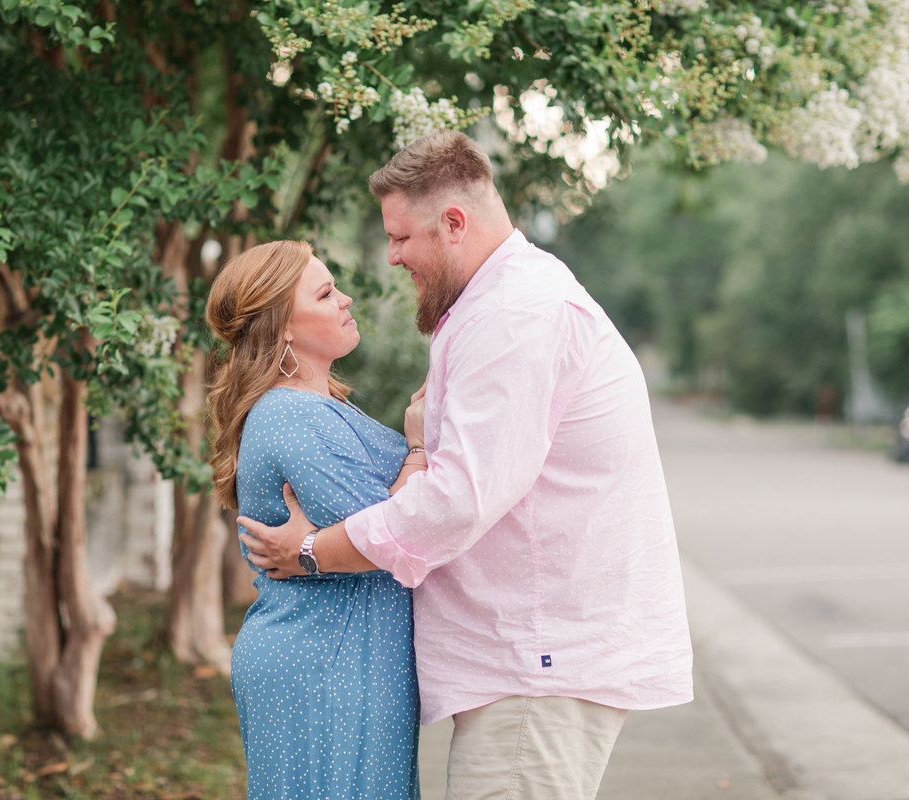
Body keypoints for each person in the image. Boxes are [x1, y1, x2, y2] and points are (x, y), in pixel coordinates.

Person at [239, 131, 694, 800]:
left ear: (453, 223)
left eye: (401, 238)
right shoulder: (502, 304)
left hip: (534, 668)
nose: (392, 258)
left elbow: (457, 501)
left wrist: (312, 551)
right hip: (527, 666)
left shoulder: (514, 317)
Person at [205, 240, 424, 800]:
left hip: (344, 658)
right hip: (324, 665)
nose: (346, 299)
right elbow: (393, 529)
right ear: (283, 328)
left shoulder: (316, 405)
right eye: (326, 293)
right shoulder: (291, 417)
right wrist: (419, 450)